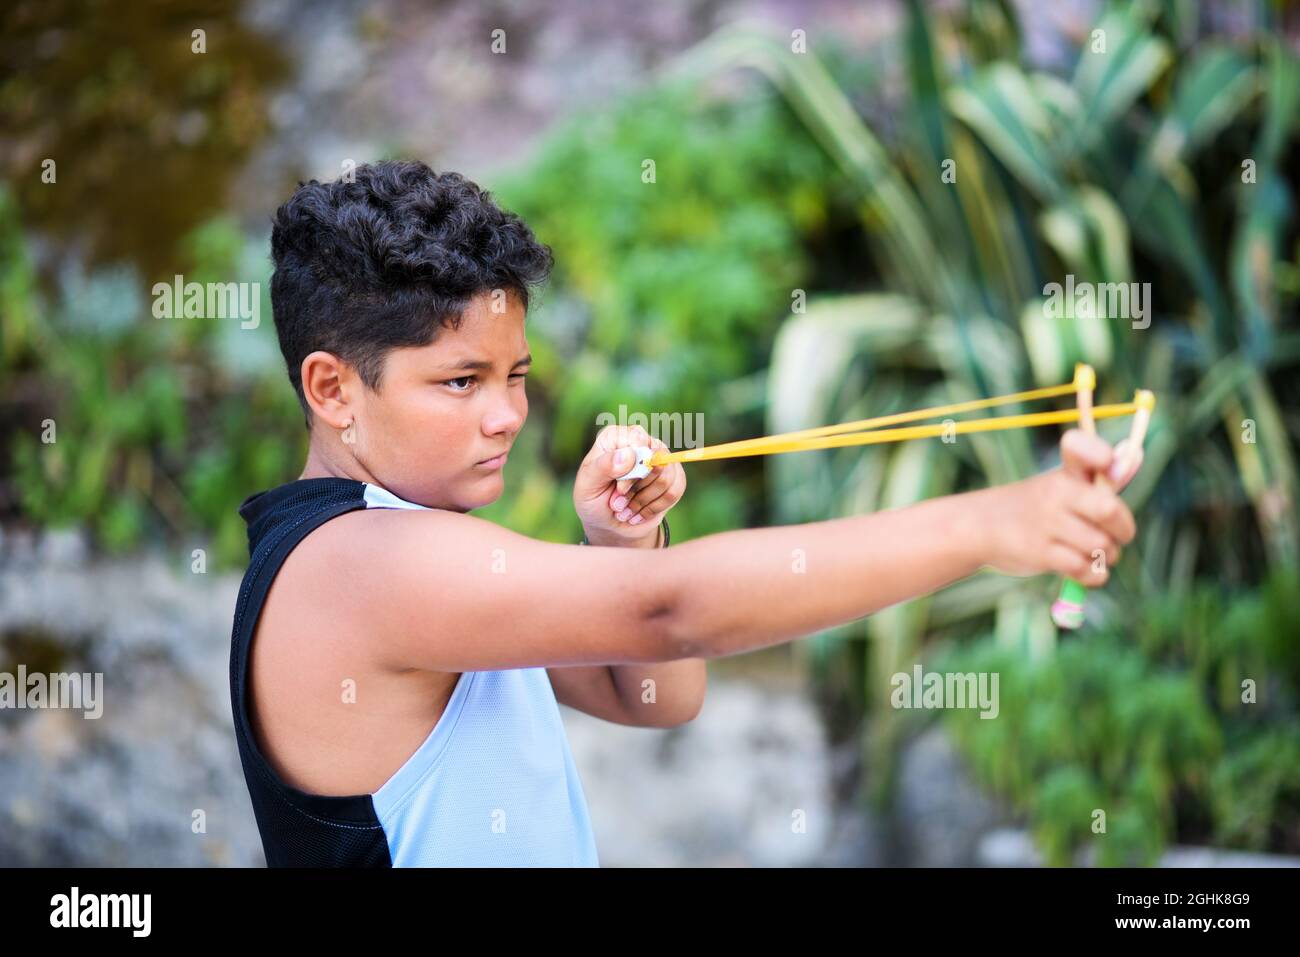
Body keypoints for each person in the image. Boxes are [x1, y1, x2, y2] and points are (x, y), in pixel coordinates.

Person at [229, 160, 1140, 866]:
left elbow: (657, 692)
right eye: (460, 382)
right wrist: (987, 525)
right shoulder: (359, 565)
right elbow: (670, 610)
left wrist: (620, 542)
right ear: (333, 387)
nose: (506, 413)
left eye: (515, 376)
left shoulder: (418, 544)